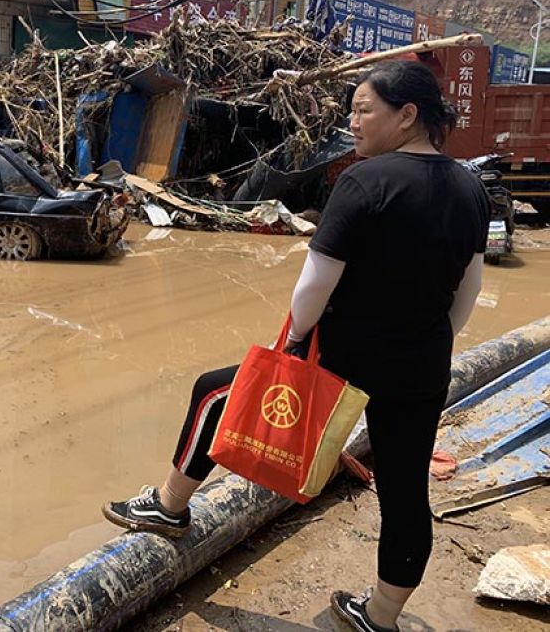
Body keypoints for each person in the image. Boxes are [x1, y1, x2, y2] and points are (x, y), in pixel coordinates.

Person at [103, 60, 490, 632]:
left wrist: (298, 342)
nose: (352, 122)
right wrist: (425, 344)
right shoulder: (470, 187)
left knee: (214, 394)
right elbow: (469, 291)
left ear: (407, 116)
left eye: (363, 110)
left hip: (344, 357)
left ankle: (169, 506)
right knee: (406, 493)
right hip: (421, 364)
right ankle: (380, 618)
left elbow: (314, 284)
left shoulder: (364, 181)